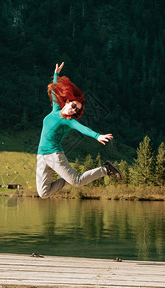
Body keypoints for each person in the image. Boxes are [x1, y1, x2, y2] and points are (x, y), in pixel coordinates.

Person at [36, 62, 122, 198]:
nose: (74, 109)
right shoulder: (56, 109)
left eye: (76, 110)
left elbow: (83, 129)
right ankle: (67, 178)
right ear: (68, 100)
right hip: (41, 156)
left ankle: (105, 169)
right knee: (43, 193)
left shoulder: (69, 121)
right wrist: (56, 75)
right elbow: (54, 90)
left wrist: (97, 136)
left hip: (54, 155)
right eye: (74, 105)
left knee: (77, 181)